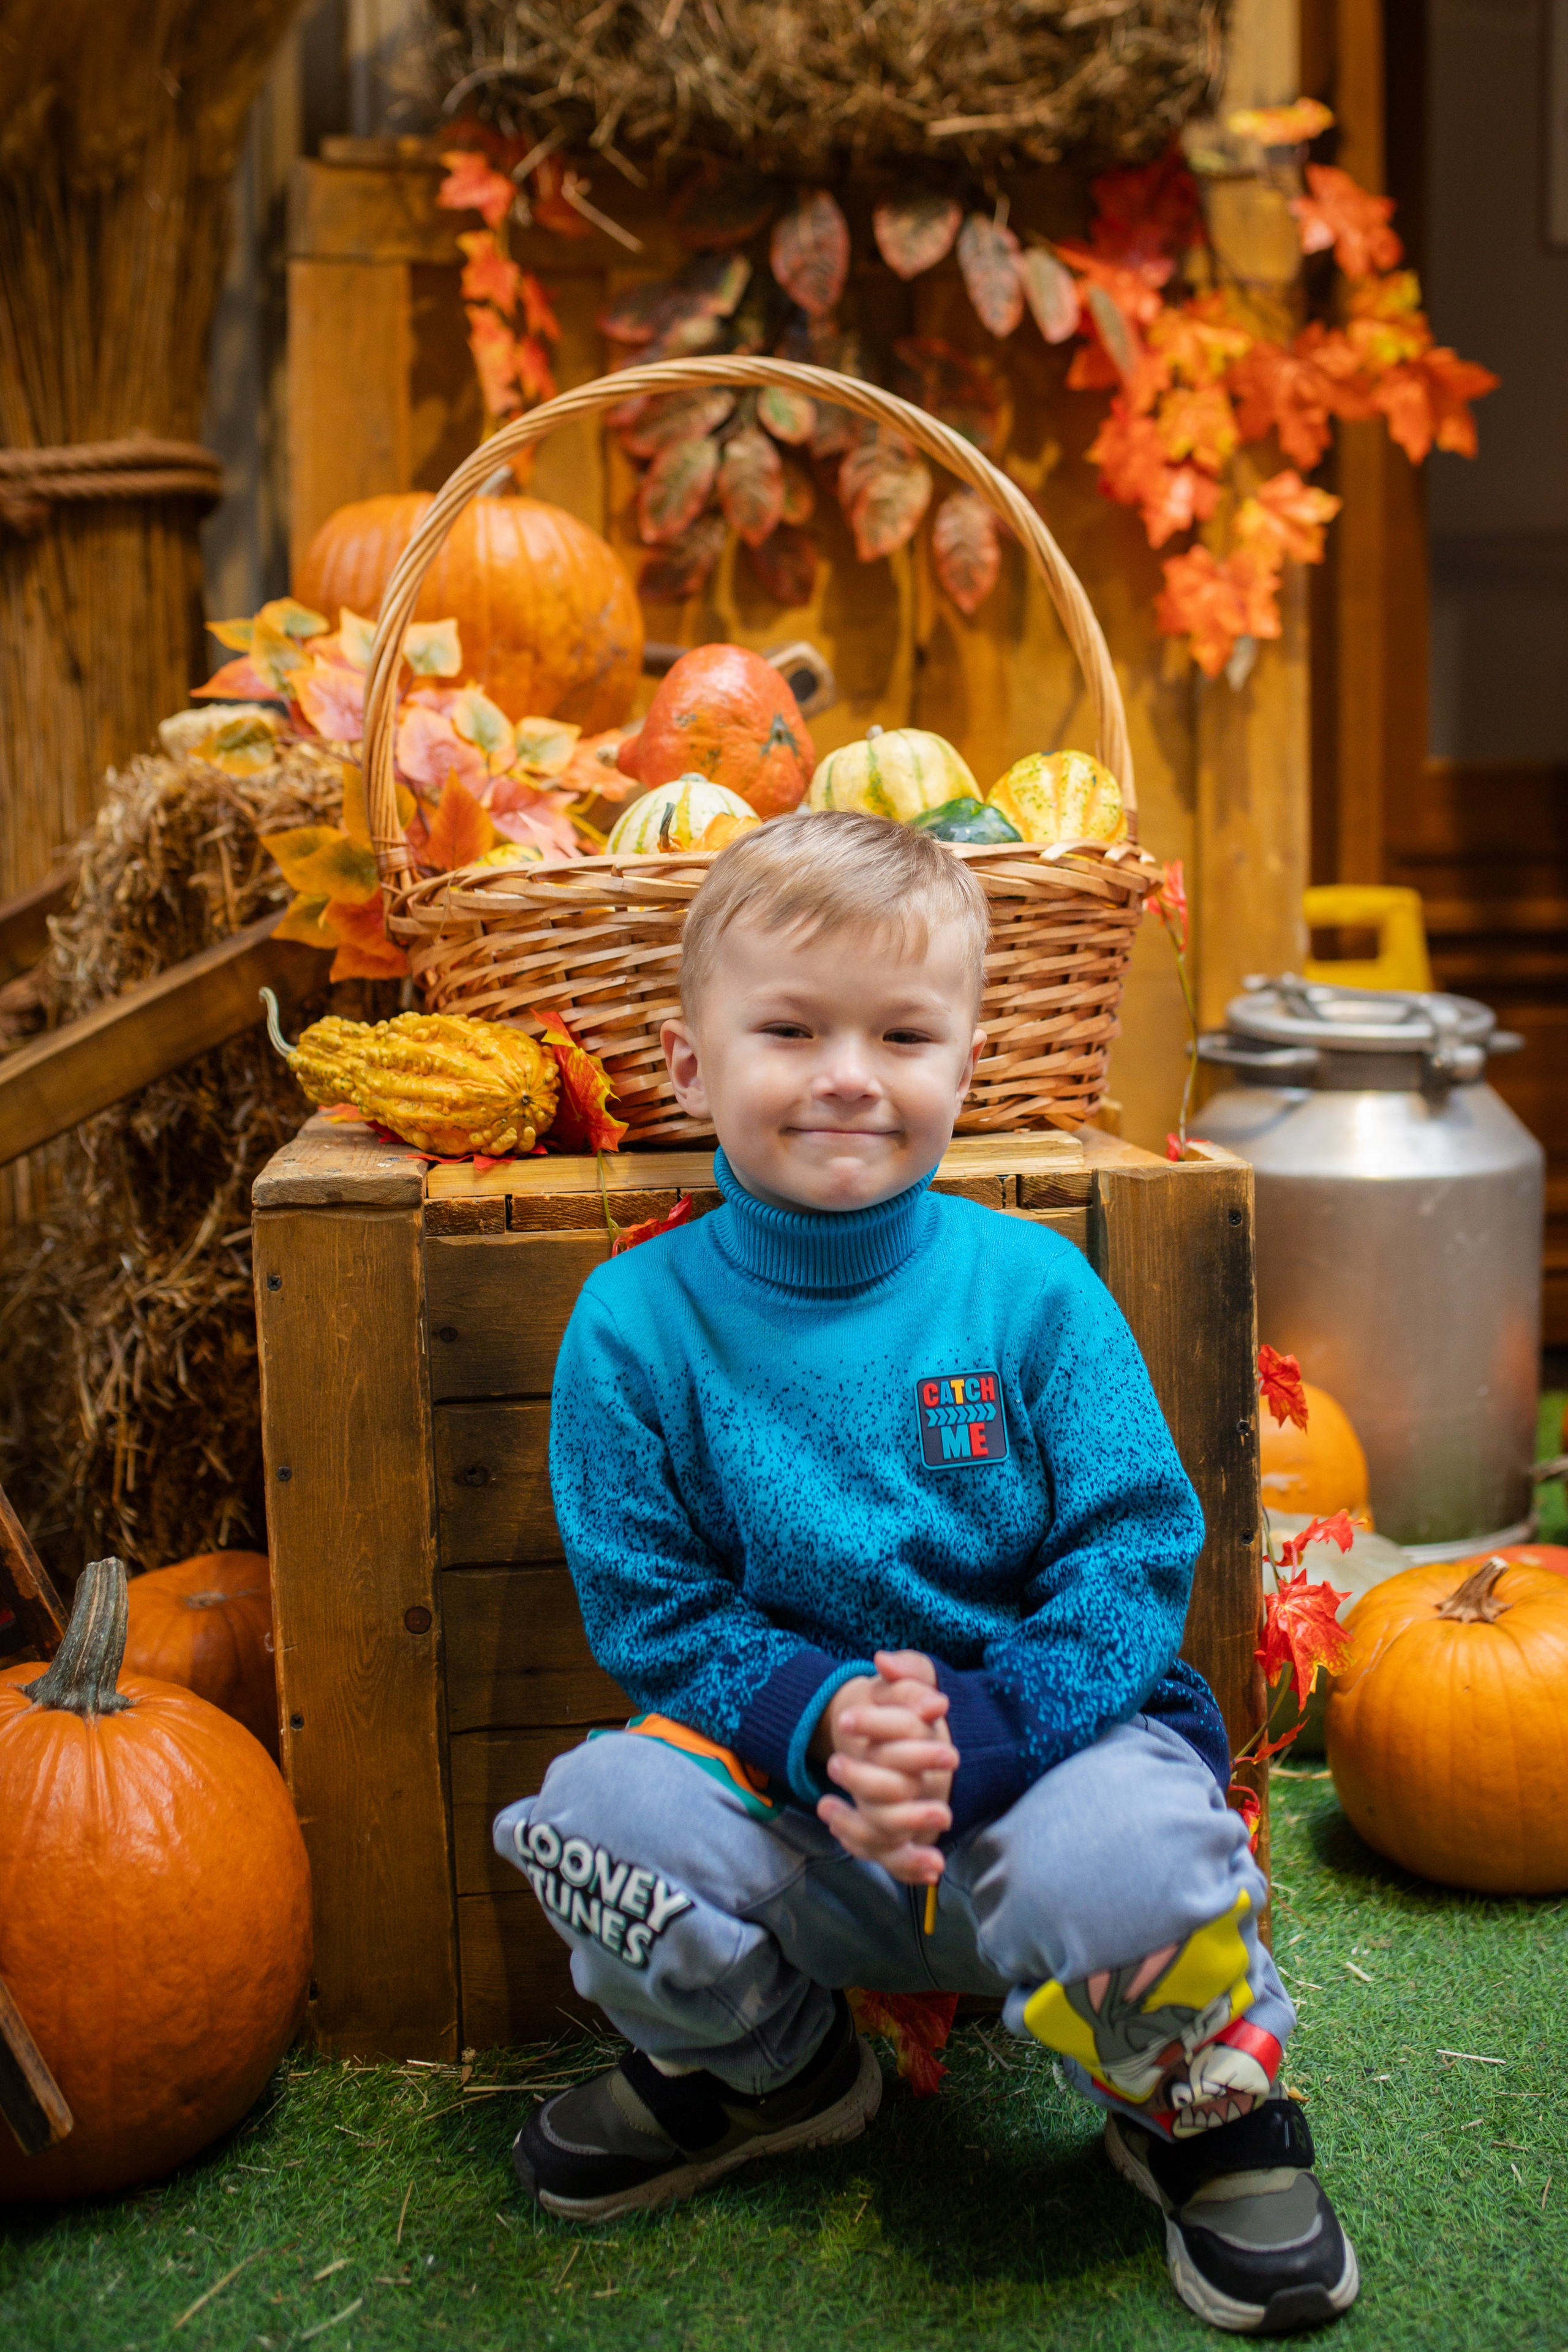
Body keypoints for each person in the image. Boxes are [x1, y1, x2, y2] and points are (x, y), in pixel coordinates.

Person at [495, 810, 1358, 2334]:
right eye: (787, 1027)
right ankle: (766, 2070)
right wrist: (830, 1720)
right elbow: (655, 1610)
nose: (846, 1072)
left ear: (963, 1068)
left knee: (1132, 1866)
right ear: (688, 1066)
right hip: (791, 1807)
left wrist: (985, 1726)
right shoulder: (630, 1326)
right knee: (591, 1832)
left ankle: (1194, 2109)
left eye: (901, 1033)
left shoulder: (1031, 1290)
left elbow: (1130, 1542)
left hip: (1046, 1767)